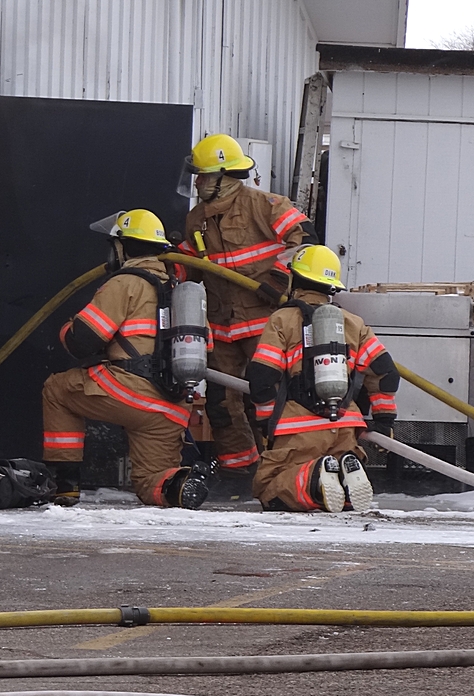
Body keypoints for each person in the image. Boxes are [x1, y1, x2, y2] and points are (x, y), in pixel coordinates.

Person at [178, 133, 318, 494]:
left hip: (264, 327)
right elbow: (189, 264)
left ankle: (284, 471)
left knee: (269, 400)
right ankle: (239, 476)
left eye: (203, 176)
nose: (197, 183)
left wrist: (279, 277)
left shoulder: (265, 205)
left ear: (224, 177)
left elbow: (305, 239)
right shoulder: (197, 219)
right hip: (222, 329)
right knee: (222, 405)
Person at [41, 209, 208, 509]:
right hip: (171, 405)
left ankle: (64, 485)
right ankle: (181, 486)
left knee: (56, 390)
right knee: (150, 482)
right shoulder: (179, 292)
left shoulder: (125, 282)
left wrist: (67, 328)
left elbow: (83, 341)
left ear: (122, 246)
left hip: (129, 391)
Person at [245, 246, 399, 512]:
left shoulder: (282, 320)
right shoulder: (353, 323)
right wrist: (384, 421)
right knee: (334, 494)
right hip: (345, 427)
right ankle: (345, 476)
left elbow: (263, 376)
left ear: (295, 279)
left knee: (270, 486)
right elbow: (385, 373)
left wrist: (267, 421)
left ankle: (316, 476)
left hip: (297, 428)